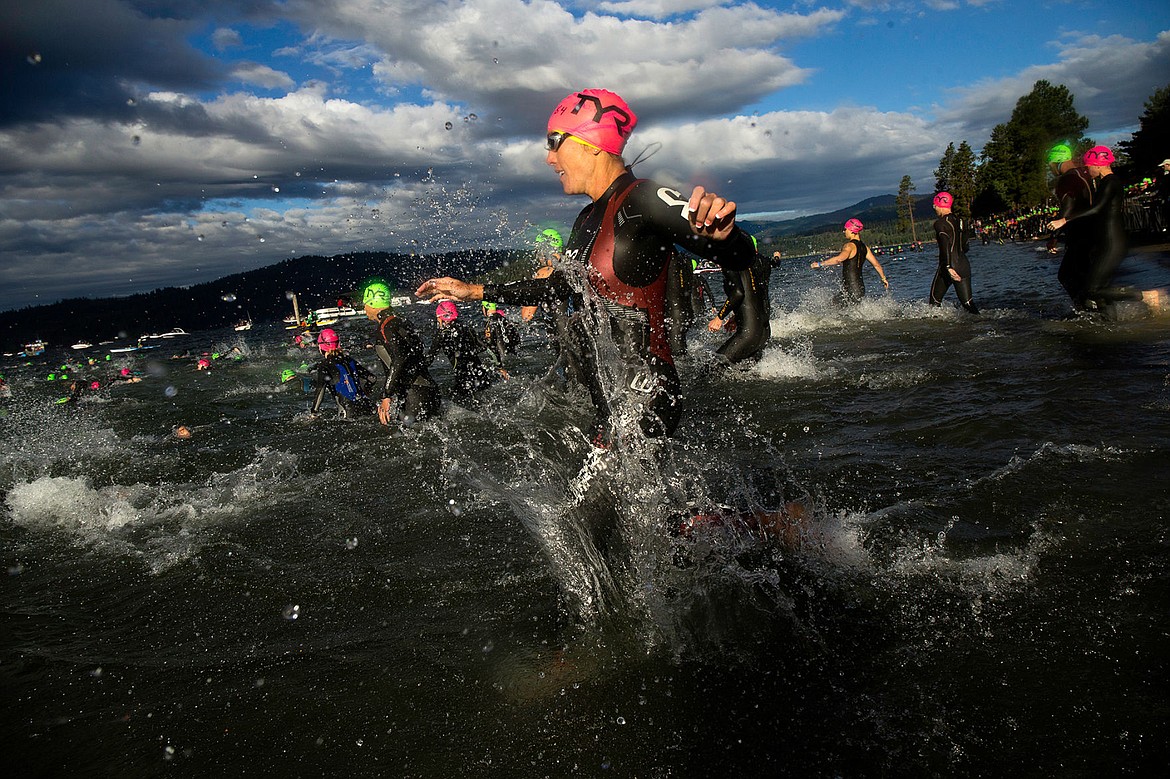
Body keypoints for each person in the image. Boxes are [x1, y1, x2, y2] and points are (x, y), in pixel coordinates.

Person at [416, 88, 754, 447]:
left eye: (554, 142)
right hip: (613, 394)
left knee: (591, 504)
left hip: (647, 391)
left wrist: (725, 237)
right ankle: (780, 506)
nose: (549, 158)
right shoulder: (586, 218)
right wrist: (474, 291)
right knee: (639, 503)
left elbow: (740, 256)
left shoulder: (643, 198)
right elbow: (558, 287)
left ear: (590, 144)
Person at [1046, 145, 1163, 317]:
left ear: (1099, 164)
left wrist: (1063, 221)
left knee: (1091, 288)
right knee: (1098, 288)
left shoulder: (1110, 182)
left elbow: (1097, 208)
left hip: (1112, 242)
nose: (1087, 169)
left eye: (1089, 165)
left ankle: (1145, 296)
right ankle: (1108, 321)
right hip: (1106, 240)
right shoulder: (1104, 182)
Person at [362, 280, 441, 426]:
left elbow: (400, 358)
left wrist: (387, 395)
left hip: (415, 395)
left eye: (365, 303)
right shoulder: (402, 321)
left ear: (373, 304)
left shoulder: (385, 327)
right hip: (430, 391)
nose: (364, 308)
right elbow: (418, 352)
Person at [707, 234, 773, 364]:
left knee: (710, 369)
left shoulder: (729, 261)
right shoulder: (749, 266)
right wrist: (737, 317)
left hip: (748, 334)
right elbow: (755, 297)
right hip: (764, 331)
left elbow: (738, 293)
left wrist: (719, 317)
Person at [1046, 143, 1096, 306]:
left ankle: (1087, 311)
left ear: (1057, 162)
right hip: (1095, 229)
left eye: (1051, 165)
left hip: (1080, 232)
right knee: (1087, 274)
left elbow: (1067, 207)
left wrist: (1054, 235)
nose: (1051, 169)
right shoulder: (1086, 173)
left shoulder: (1067, 179)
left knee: (1066, 275)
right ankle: (1093, 309)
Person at [428, 301, 501, 401]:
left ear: (441, 318)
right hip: (481, 375)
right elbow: (486, 347)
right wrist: (500, 367)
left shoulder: (442, 334)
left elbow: (429, 359)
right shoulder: (466, 327)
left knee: (453, 400)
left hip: (464, 379)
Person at [811, 218, 889, 304]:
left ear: (852, 230)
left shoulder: (849, 246)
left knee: (832, 306)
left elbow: (838, 259)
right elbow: (877, 265)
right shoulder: (865, 248)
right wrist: (883, 279)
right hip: (860, 289)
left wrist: (820, 264)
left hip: (850, 290)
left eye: (845, 229)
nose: (844, 231)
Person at [928, 192, 979, 313]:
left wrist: (948, 267)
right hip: (963, 265)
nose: (934, 209)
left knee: (934, 304)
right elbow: (965, 247)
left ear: (939, 205)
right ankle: (982, 322)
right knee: (967, 303)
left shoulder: (940, 224)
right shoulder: (961, 221)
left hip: (948, 267)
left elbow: (944, 246)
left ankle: (938, 329)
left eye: (935, 206)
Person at [309, 328, 376, 419]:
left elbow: (320, 391)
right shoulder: (349, 359)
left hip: (349, 410)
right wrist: (366, 390)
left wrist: (313, 413)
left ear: (322, 347)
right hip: (367, 405)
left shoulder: (324, 366)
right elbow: (372, 378)